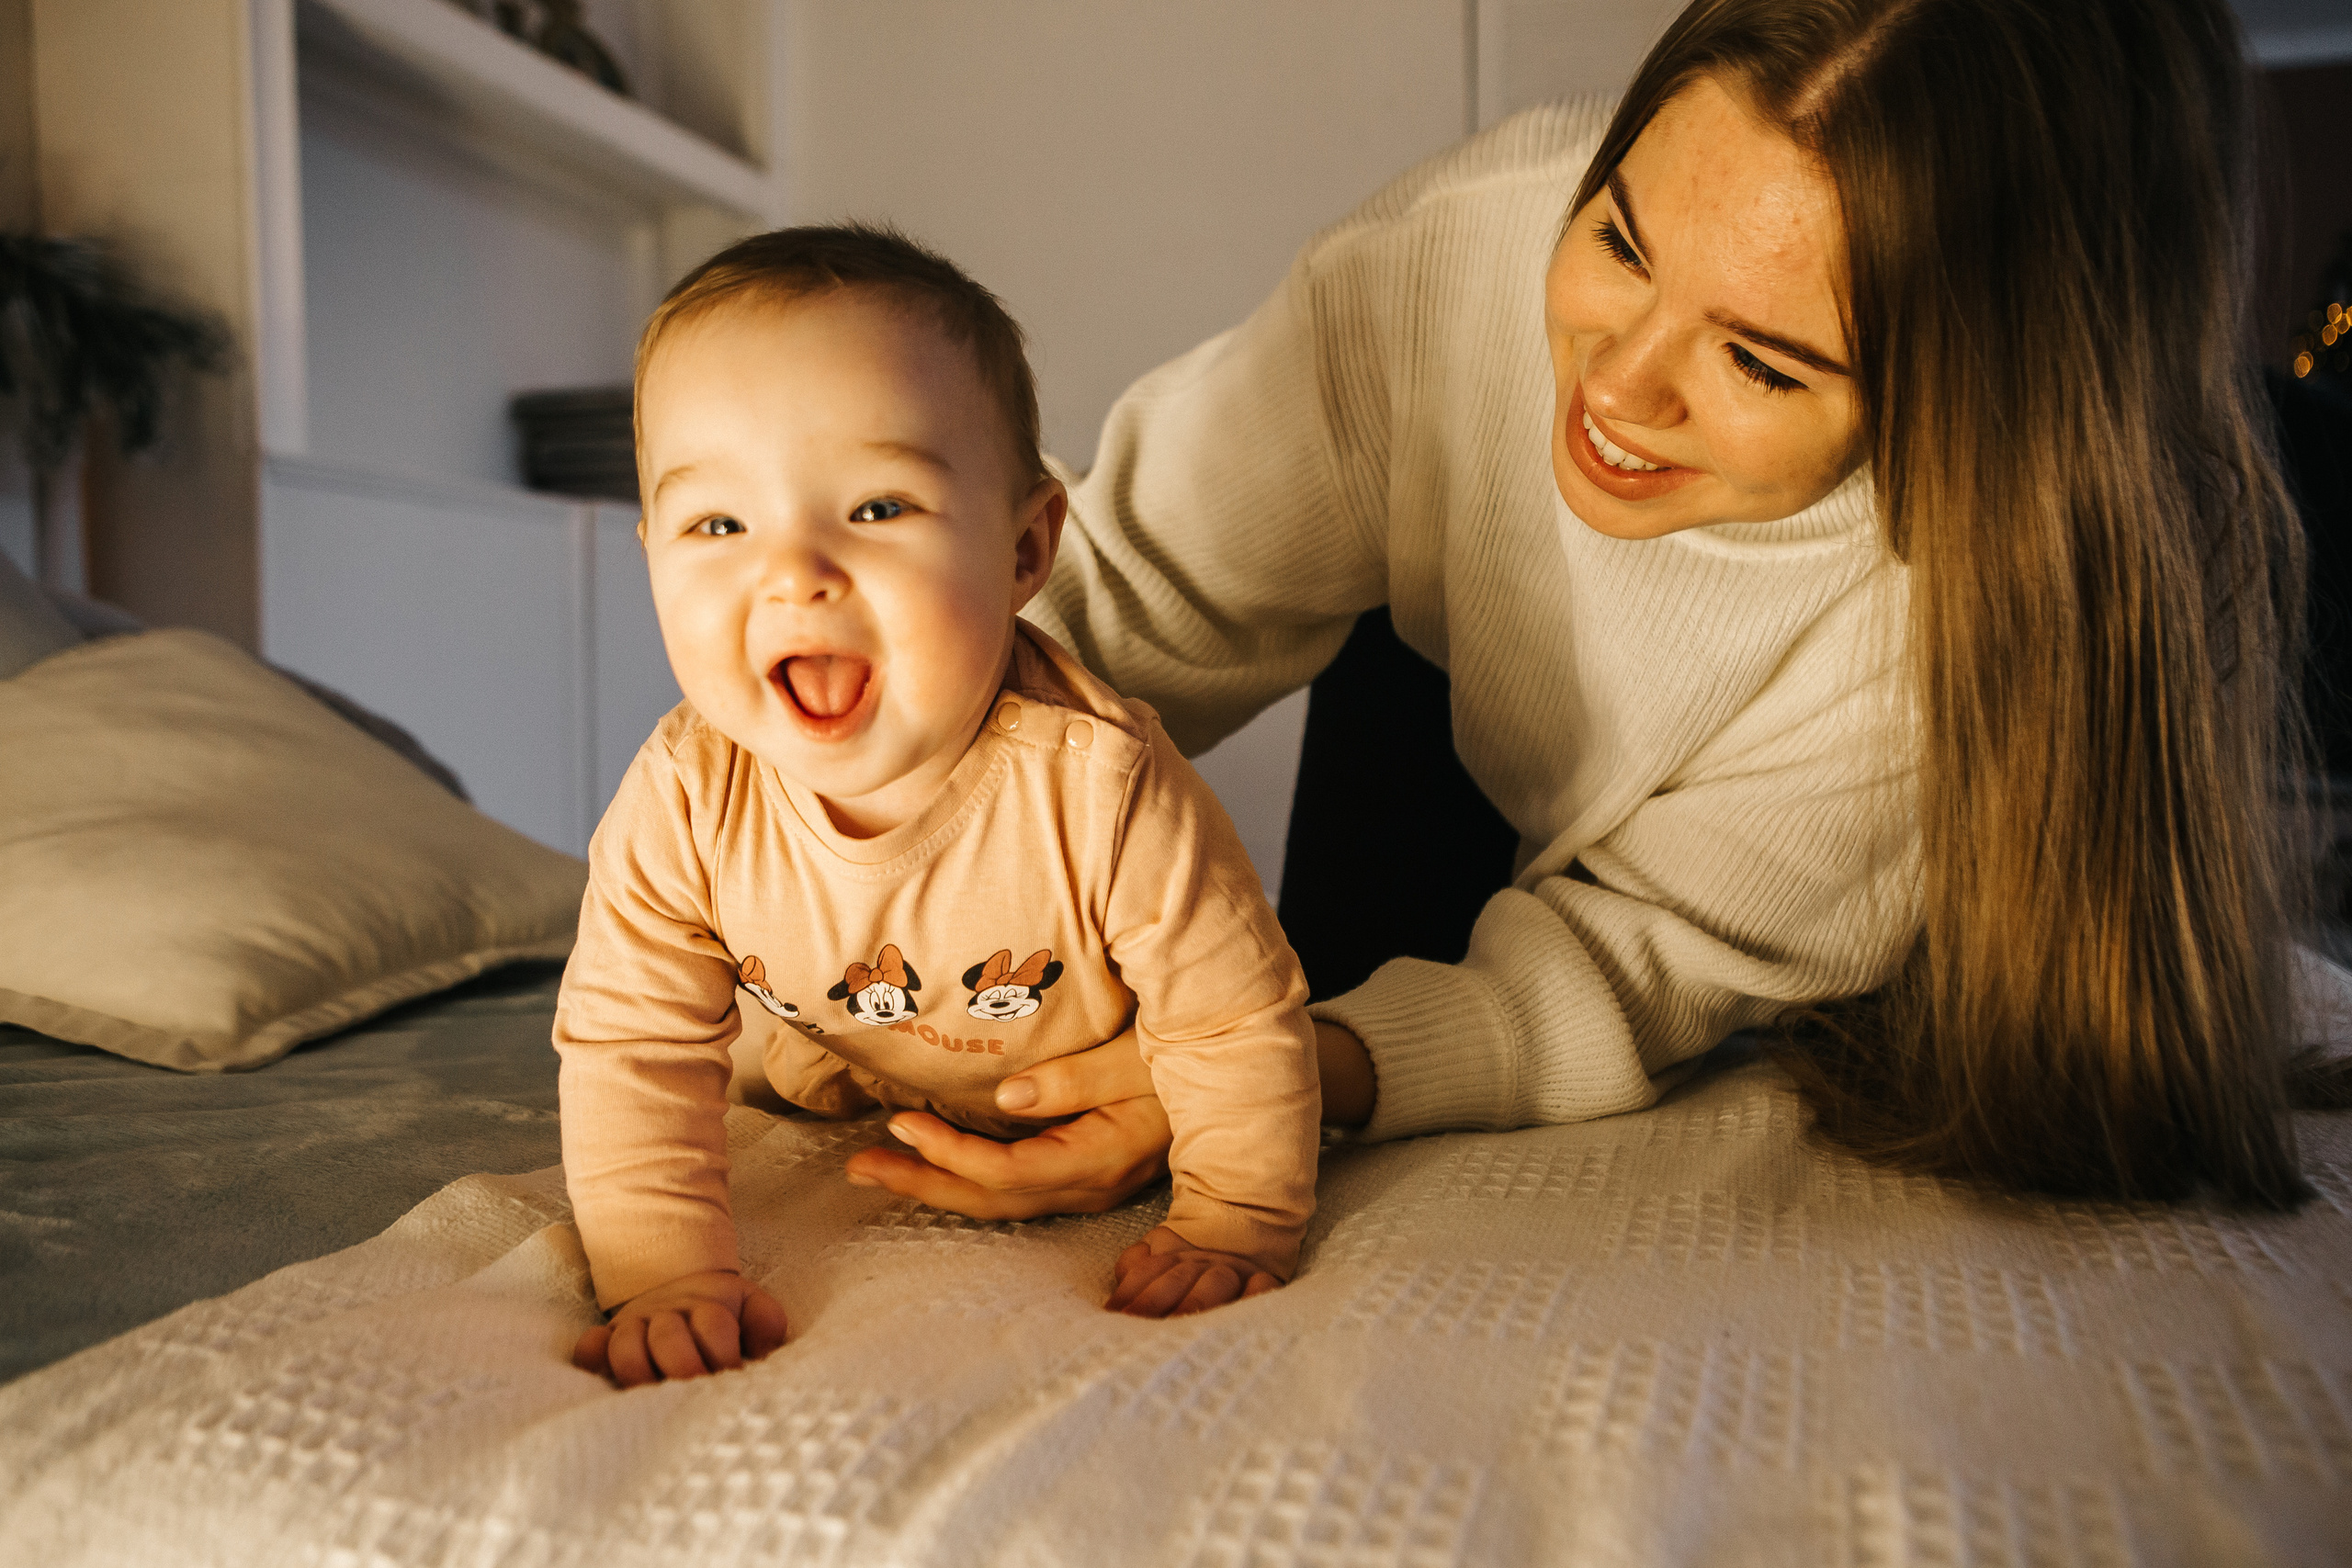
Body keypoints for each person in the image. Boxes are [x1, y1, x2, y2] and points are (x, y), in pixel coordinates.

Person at [847, 0, 2318, 1220]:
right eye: (1620, 244)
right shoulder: (1455, 258)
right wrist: (829, 851)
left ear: (1968, 413)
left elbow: (1634, 959)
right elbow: (1123, 597)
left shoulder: (1967, 638)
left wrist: (1304, 1058)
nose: (1616, 387)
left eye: (1763, 362)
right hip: (1442, 676)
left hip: (1818, 917)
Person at [556, 226, 1321, 1388]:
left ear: (1022, 551)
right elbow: (632, 1046)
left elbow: (1231, 1023)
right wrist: (661, 1274)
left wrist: (1234, 1220)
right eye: (718, 523)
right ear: (652, 548)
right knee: (745, 1054)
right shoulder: (683, 800)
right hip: (833, 1057)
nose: (794, 569)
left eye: (874, 507)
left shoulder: (1102, 787)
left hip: (1065, 1076)